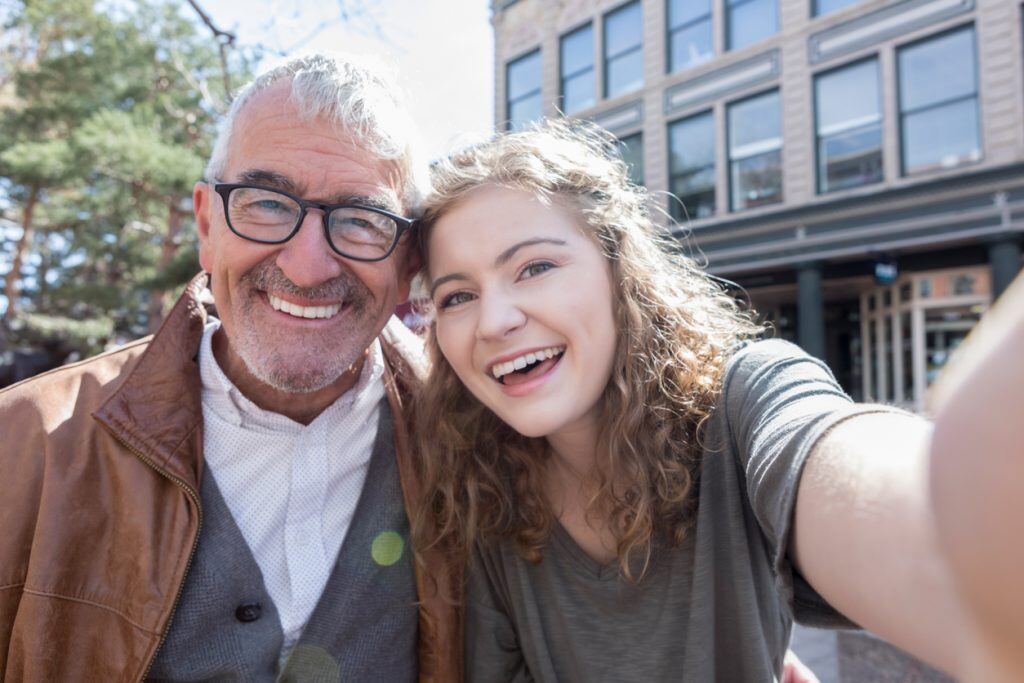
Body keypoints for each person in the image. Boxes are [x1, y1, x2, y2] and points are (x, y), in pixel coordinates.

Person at [411, 119, 1022, 681]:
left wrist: (963, 508)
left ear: (618, 270)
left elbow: (875, 489)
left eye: (535, 267)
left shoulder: (746, 402)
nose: (493, 320)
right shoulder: (475, 488)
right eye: (456, 297)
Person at [0, 53, 461, 681]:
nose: (306, 267)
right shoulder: (24, 446)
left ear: (408, 262)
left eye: (361, 220)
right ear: (205, 224)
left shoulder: (477, 445)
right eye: (267, 204)